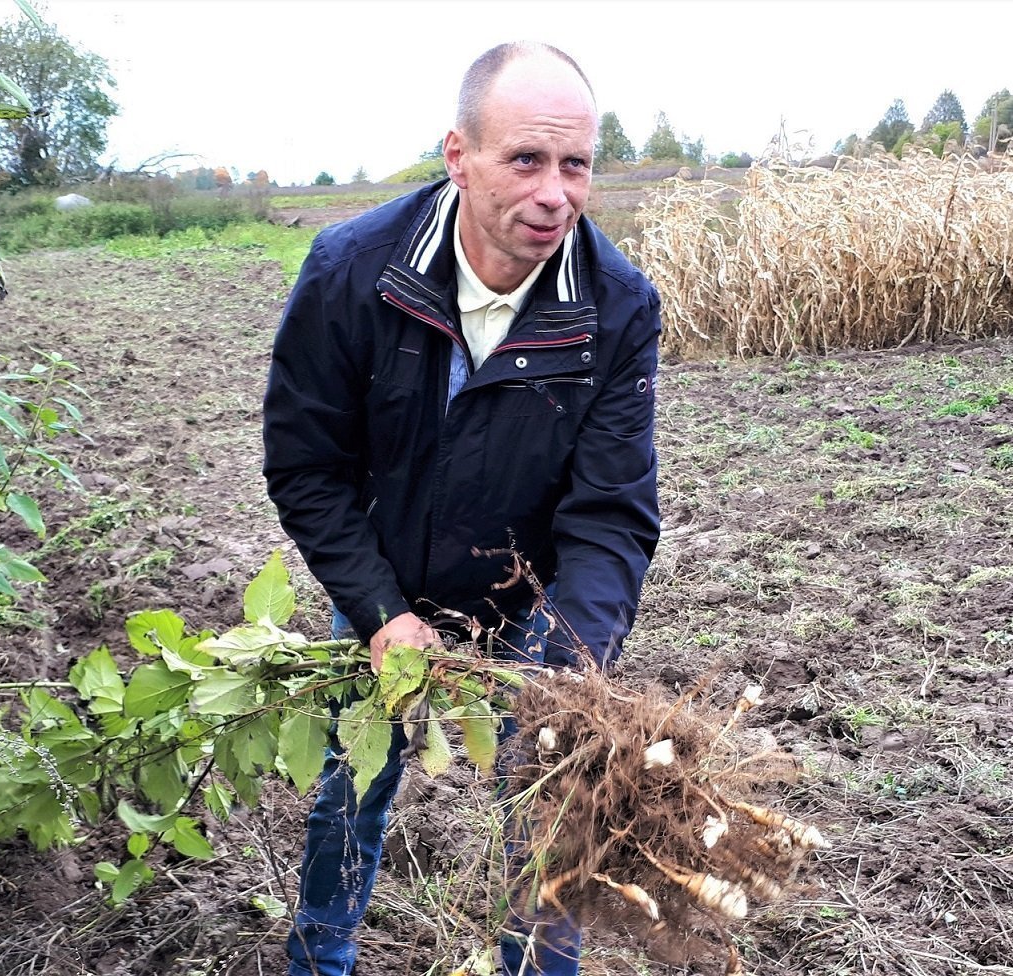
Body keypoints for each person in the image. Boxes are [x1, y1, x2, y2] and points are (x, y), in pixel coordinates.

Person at [262, 40, 661, 976]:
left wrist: (571, 668)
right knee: (348, 785)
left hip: (535, 590)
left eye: (576, 165)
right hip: (386, 569)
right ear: (458, 156)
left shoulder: (618, 305)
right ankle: (321, 958)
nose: (555, 193)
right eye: (526, 159)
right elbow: (308, 466)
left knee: (556, 798)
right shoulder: (353, 270)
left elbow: (610, 514)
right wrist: (376, 610)